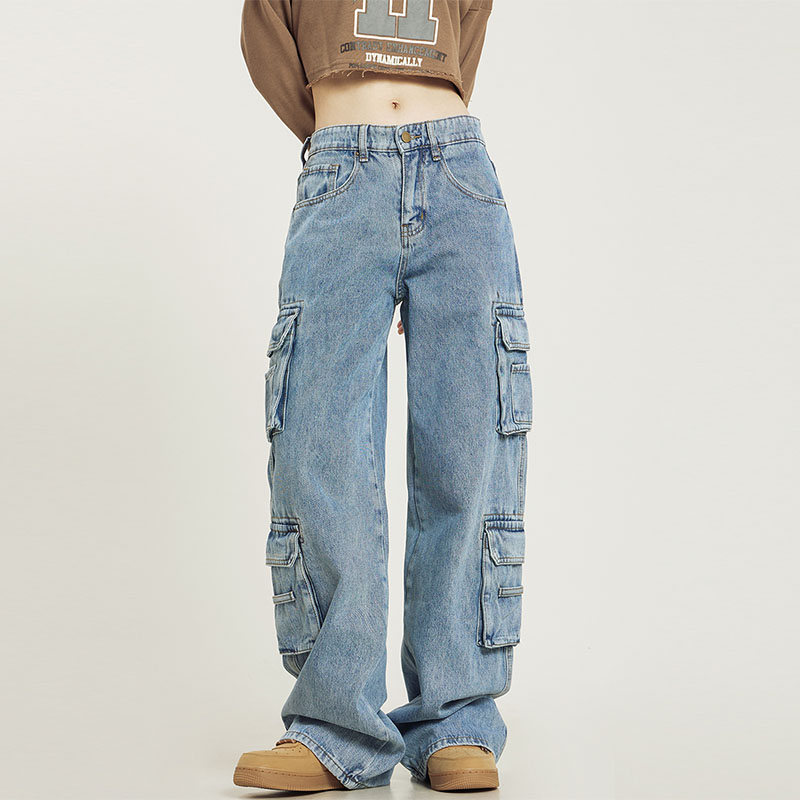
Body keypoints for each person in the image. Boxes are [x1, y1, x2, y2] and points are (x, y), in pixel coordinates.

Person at [234, 0, 531, 792]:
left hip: (460, 172)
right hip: (340, 174)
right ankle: (336, 726)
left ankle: (455, 718)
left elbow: (468, 34)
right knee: (319, 446)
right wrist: (342, 145)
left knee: (468, 448)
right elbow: (267, 45)